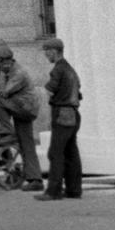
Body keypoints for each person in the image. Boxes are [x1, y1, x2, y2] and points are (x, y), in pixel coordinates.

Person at [0, 42, 44, 191]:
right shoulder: (6, 72)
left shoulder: (18, 73)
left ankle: (7, 134)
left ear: (7, 60)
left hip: (25, 108)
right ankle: (35, 179)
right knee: (27, 144)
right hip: (21, 108)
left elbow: (4, 92)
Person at [36, 37, 83, 201]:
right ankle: (74, 190)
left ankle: (53, 191)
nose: (46, 55)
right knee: (71, 152)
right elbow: (79, 92)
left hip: (62, 114)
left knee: (55, 153)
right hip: (74, 114)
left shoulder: (58, 70)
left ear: (54, 52)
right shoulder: (70, 69)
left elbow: (49, 90)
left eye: (47, 52)